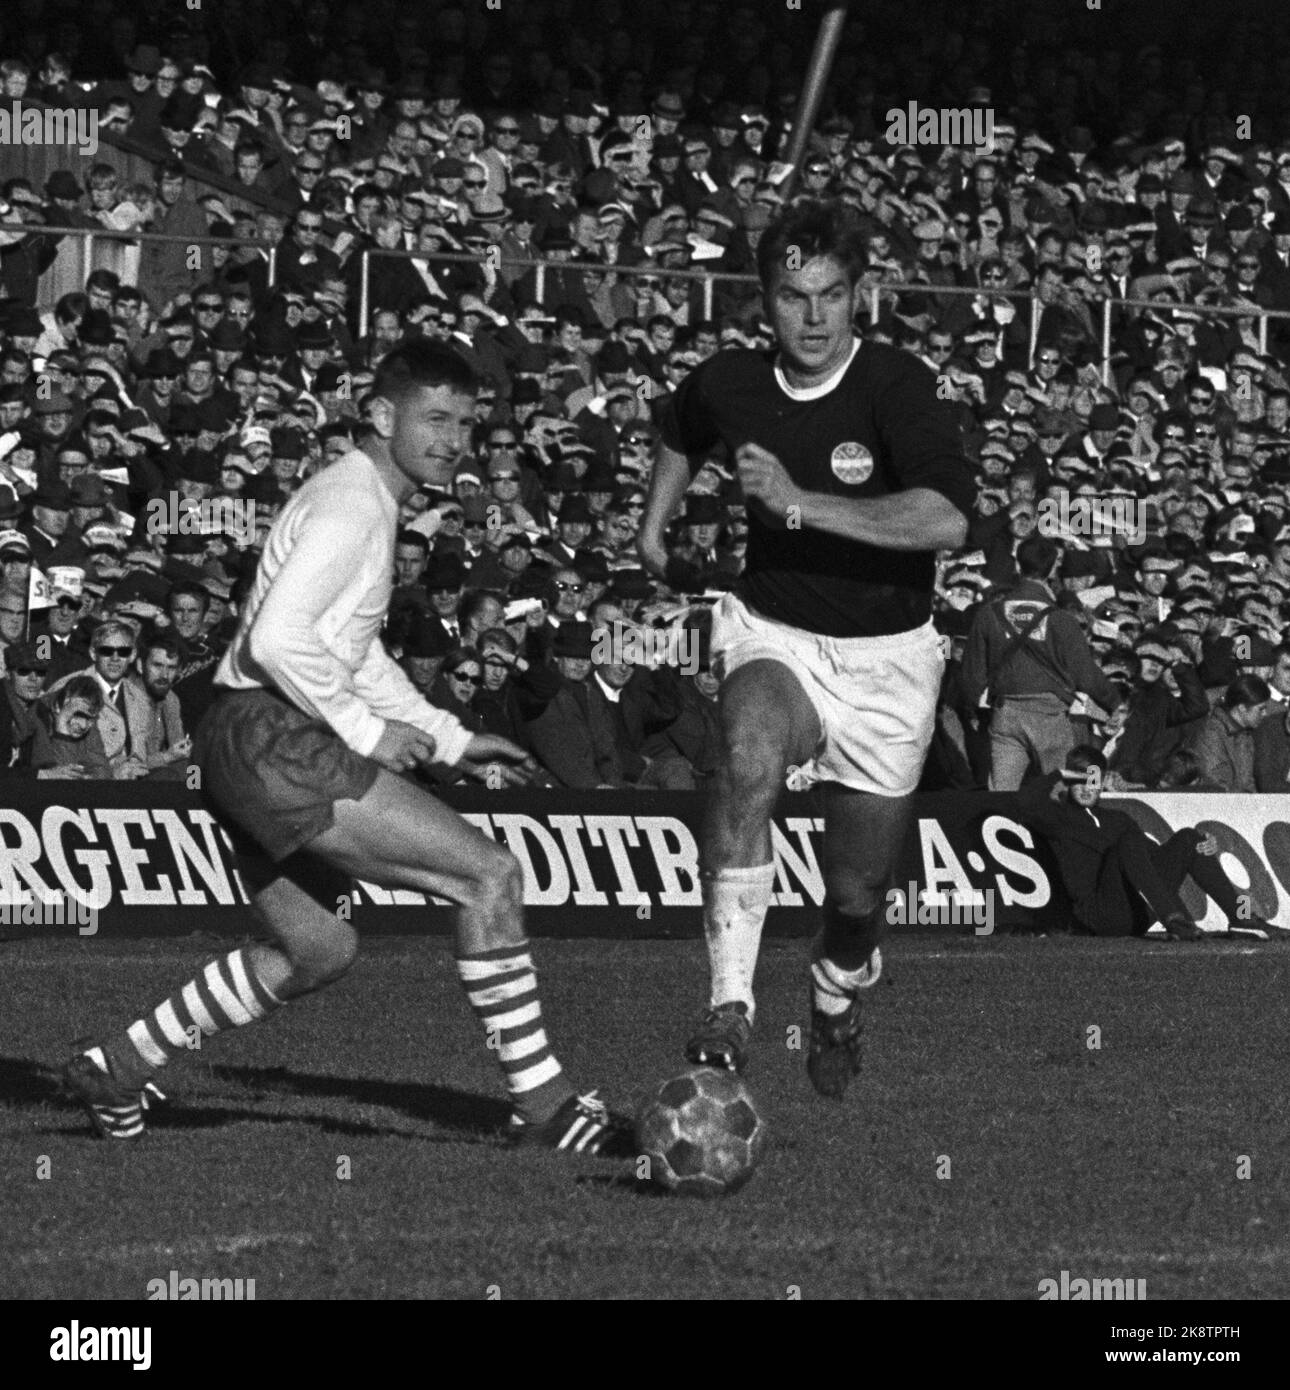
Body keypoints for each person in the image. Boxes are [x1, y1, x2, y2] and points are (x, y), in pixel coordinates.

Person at [62, 340, 631, 1155]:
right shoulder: (354, 503)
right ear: (379, 415)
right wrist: (371, 733)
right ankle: (544, 1107)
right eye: (435, 419)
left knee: (316, 947)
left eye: (467, 424)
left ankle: (117, 1066)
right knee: (488, 876)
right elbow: (280, 638)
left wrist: (448, 737)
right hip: (271, 731)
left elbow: (356, 653)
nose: (454, 440)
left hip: (240, 734)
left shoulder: (364, 498)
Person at [637, 199, 974, 1097]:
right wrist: (653, 530)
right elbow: (682, 425)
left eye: (831, 295)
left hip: (890, 661)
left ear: (860, 296)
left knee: (857, 899)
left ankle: (833, 989)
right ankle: (729, 1004)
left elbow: (945, 517)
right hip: (775, 632)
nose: (814, 317)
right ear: (766, 301)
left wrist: (797, 502)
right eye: (794, 297)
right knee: (746, 749)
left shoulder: (897, 386)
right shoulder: (733, 381)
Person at [1017, 746, 1277, 939]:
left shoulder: (1117, 818)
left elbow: (1152, 859)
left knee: (1189, 837)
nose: (1086, 788)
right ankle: (1174, 920)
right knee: (1130, 842)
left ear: (1103, 781)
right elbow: (1024, 803)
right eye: (1079, 781)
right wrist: (1061, 773)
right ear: (1070, 782)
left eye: (1092, 781)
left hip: (1138, 912)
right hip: (1099, 915)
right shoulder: (1058, 818)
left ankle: (1241, 918)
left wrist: (1202, 848)